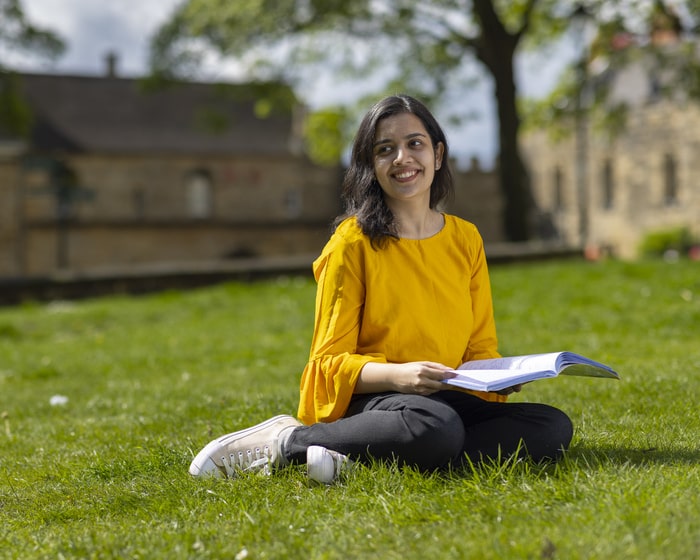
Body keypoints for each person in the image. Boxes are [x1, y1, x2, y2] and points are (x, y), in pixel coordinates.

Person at [189, 94, 573, 484]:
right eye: (385, 150)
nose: (402, 158)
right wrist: (399, 376)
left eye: (415, 144)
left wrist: (500, 377)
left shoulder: (465, 238)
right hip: (377, 400)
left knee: (550, 426)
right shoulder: (351, 243)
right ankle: (288, 441)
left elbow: (478, 347)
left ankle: (361, 459)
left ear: (437, 155)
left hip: (446, 399)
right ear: (371, 166)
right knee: (434, 426)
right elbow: (326, 365)